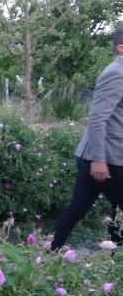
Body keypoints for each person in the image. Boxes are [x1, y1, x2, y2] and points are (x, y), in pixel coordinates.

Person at [51, 28, 123, 249]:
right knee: (120, 211)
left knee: (78, 208)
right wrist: (98, 159)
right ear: (121, 48)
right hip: (106, 158)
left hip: (99, 156)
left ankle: (46, 252)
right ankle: (114, 262)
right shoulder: (116, 73)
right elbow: (97, 118)